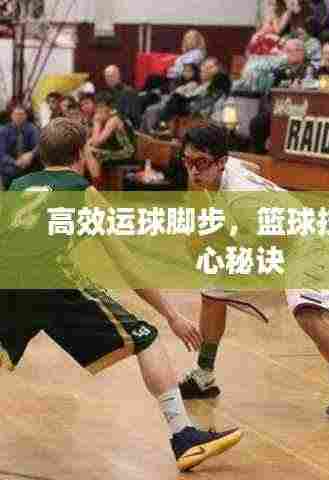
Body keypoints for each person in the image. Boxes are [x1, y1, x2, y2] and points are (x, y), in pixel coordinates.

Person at [0, 117, 243, 471]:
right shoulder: (82, 191)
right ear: (80, 154)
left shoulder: (17, 186)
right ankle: (183, 435)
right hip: (51, 282)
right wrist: (172, 314)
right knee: (146, 338)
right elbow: (126, 265)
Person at [178, 124, 329, 419]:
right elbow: (254, 167)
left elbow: (277, 240)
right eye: (188, 161)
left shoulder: (241, 200)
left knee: (305, 312)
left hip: (304, 243)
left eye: (201, 163)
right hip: (277, 234)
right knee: (213, 287)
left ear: (220, 162)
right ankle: (204, 374)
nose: (194, 170)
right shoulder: (225, 168)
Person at [249, 39, 311, 154]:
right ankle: (260, 155)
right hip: (279, 108)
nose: (286, 55)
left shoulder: (309, 70)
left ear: (301, 52)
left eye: (290, 51)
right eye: (286, 51)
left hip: (300, 110)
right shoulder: (280, 71)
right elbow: (270, 94)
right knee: (257, 122)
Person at [89, 91, 136, 166]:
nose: (98, 110)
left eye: (101, 107)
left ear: (110, 108)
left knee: (92, 153)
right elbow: (92, 141)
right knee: (86, 151)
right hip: (114, 152)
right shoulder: (105, 119)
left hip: (126, 154)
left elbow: (96, 143)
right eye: (97, 107)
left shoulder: (114, 120)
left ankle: (95, 175)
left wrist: (96, 123)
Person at [0, 104, 39, 189]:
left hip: (28, 165)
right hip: (10, 166)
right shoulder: (4, 130)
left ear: (26, 116)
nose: (19, 117)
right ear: (11, 116)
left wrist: (31, 154)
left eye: (21, 114)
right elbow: (2, 154)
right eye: (16, 114)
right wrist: (15, 162)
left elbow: (38, 146)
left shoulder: (32, 128)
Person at [104, 65, 142, 129]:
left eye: (111, 76)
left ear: (118, 76)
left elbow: (130, 115)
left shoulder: (129, 92)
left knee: (113, 120)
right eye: (107, 76)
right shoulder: (107, 93)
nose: (109, 79)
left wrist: (113, 114)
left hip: (127, 125)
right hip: (110, 123)